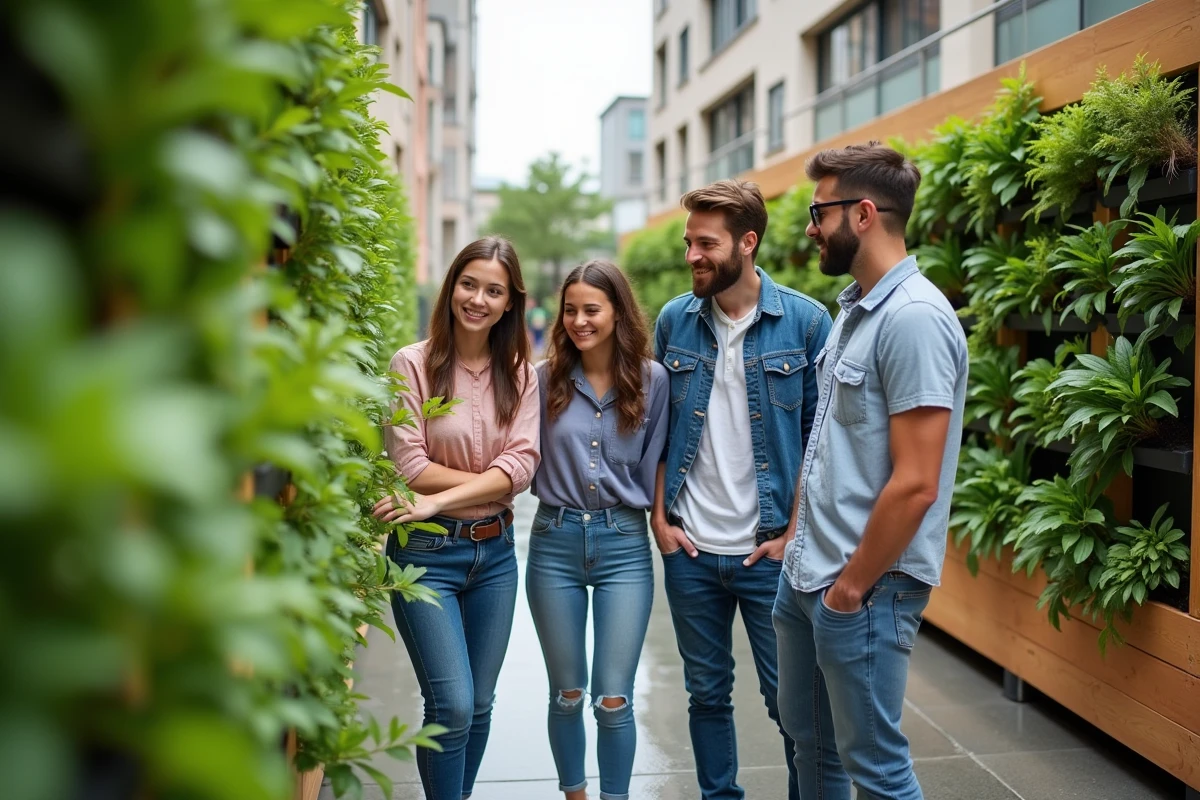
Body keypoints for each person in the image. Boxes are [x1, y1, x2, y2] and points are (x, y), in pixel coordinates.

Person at [773, 143, 968, 800]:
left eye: (816, 211)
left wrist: (848, 591)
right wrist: (797, 539)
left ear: (861, 214)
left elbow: (916, 482)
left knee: (877, 771)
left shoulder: (913, 319)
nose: (808, 226)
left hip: (863, 590)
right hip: (807, 572)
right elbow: (830, 441)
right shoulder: (853, 310)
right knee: (811, 747)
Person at [652, 179, 832, 800]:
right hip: (692, 549)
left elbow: (821, 441)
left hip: (768, 553)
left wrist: (793, 534)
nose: (692, 256)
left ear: (747, 243)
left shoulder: (808, 323)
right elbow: (657, 428)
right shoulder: (675, 320)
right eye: (688, 243)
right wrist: (661, 521)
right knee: (706, 695)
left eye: (706, 244)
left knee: (790, 703)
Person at [372, 236, 540, 800]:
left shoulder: (520, 372)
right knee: (453, 704)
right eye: (469, 284)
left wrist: (456, 493)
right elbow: (411, 463)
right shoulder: (412, 364)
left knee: (482, 705)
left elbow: (522, 462)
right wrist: (492, 482)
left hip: (494, 556)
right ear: (451, 287)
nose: (478, 299)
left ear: (510, 302)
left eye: (494, 290)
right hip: (426, 554)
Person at [526, 259, 669, 800]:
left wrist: (659, 521)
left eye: (591, 309)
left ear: (617, 313)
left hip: (624, 547)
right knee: (566, 692)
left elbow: (657, 462)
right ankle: (575, 794)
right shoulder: (544, 380)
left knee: (614, 698)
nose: (579, 321)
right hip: (554, 544)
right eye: (570, 310)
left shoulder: (653, 381)